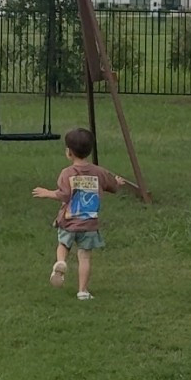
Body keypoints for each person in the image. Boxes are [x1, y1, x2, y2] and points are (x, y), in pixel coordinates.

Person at [32, 125, 127, 300]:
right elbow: (112, 186)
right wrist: (117, 182)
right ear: (90, 151)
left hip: (68, 221)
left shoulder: (66, 173)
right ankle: (83, 291)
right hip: (89, 223)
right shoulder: (99, 172)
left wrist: (47, 193)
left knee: (63, 244)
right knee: (84, 257)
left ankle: (61, 262)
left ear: (69, 152)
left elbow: (64, 195)